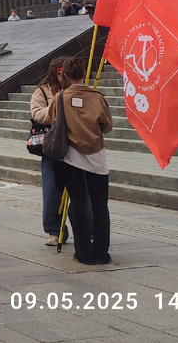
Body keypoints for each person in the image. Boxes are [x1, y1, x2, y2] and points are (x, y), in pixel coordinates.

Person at [47, 57, 112, 265]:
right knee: (100, 205)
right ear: (83, 74)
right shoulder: (97, 97)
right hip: (97, 157)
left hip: (71, 158)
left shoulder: (60, 98)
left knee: (78, 203)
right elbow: (107, 125)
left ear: (64, 76)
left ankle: (83, 252)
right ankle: (101, 251)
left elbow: (51, 119)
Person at [31, 58, 67, 246]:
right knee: (52, 190)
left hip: (74, 144)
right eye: (62, 71)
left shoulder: (75, 86)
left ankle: (88, 229)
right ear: (55, 72)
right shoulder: (42, 90)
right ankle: (53, 230)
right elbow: (36, 113)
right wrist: (56, 106)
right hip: (52, 145)